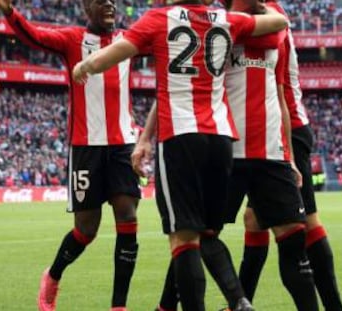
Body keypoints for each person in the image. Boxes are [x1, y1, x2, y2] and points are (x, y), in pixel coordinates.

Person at [73, 2, 288, 310]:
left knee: (184, 239)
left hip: (180, 136)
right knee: (208, 234)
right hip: (221, 138)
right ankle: (240, 301)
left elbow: (118, 50)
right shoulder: (227, 19)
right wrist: (259, 7)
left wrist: (87, 66)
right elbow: (278, 21)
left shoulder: (158, 19)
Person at [0, 0, 141, 310]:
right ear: (88, 8)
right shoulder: (72, 39)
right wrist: (10, 13)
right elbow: (33, 35)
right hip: (86, 147)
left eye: (113, 1)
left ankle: (119, 305)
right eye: (102, 2)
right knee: (87, 230)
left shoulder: (130, 39)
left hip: (123, 145)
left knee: (127, 217)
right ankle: (53, 275)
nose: (111, 5)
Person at [235, 1, 342, 311]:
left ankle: (334, 306)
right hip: (279, 129)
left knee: (304, 222)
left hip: (285, 130)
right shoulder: (269, 10)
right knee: (254, 219)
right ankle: (241, 303)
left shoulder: (265, 14)